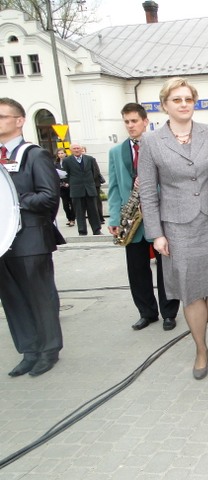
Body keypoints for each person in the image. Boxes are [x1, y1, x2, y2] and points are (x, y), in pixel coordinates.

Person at [138, 78, 208, 380]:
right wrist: (156, 233)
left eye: (188, 99)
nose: (184, 104)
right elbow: (148, 191)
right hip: (177, 229)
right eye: (177, 99)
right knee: (191, 292)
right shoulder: (151, 141)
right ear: (165, 105)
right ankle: (201, 350)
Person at [0, 97, 64, 377]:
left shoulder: (33, 155)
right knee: (13, 299)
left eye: (2, 116)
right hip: (3, 242)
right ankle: (29, 351)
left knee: (40, 297)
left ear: (19, 121)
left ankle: (49, 350)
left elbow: (49, 197)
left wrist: (15, 200)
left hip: (31, 239)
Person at [107, 103, 180, 332]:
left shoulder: (159, 146)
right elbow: (114, 187)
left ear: (145, 121)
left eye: (134, 121)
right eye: (126, 122)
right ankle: (146, 313)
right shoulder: (115, 152)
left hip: (159, 216)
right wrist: (114, 219)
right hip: (131, 221)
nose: (130, 125)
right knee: (137, 270)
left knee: (166, 268)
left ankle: (169, 313)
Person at [62, 143, 102, 235]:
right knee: (79, 212)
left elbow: (94, 172)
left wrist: (89, 182)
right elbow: (65, 174)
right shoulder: (67, 161)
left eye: (78, 148)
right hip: (76, 190)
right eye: (74, 148)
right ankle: (82, 231)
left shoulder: (90, 159)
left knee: (93, 211)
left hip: (89, 189)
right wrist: (72, 182)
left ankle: (97, 230)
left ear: (81, 149)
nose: (76, 150)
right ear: (71, 150)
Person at [54, 147, 75, 226]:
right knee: (65, 204)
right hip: (61, 186)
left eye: (62, 153)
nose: (60, 155)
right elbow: (55, 175)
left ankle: (72, 219)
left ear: (65, 154)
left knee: (72, 203)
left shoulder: (69, 162)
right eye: (59, 153)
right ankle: (69, 218)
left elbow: (72, 173)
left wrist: (68, 183)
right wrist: (61, 183)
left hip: (70, 185)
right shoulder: (56, 164)